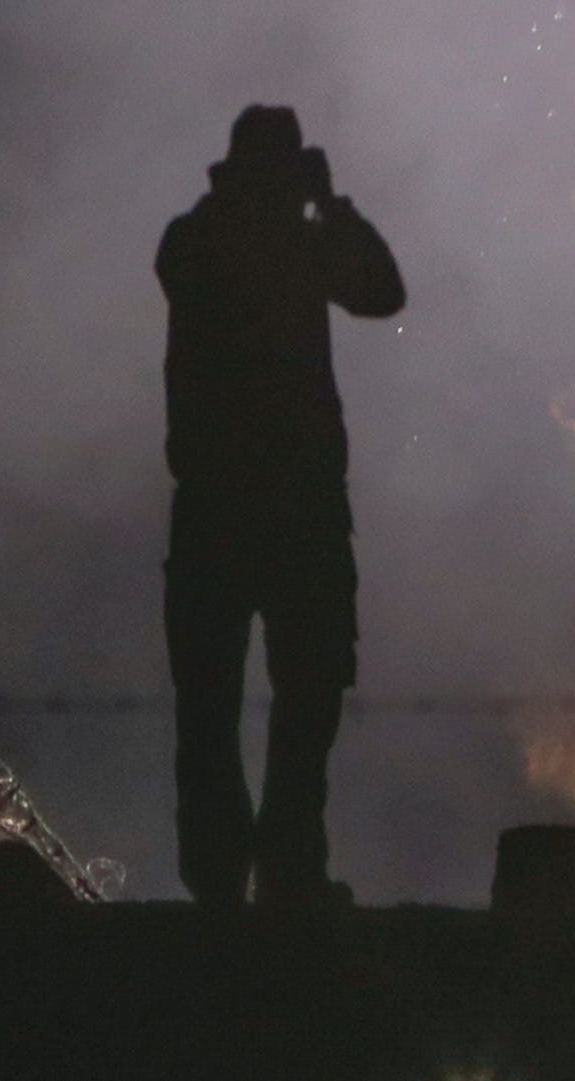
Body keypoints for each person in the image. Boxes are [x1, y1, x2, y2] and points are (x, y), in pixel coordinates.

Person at [156, 105, 405, 911]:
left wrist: (319, 211)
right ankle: (261, 871)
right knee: (258, 698)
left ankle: (240, 872)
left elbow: (380, 292)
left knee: (257, 698)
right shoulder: (223, 242)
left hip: (233, 506)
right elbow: (377, 288)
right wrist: (323, 205)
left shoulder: (216, 239)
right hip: (269, 504)